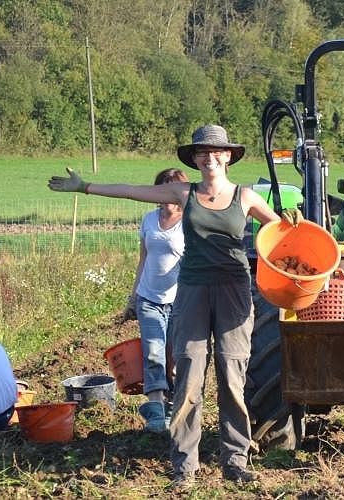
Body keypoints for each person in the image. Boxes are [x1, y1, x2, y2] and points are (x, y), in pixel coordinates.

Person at [50, 124, 279, 486]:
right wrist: (85, 186)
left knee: (233, 377)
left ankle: (235, 461)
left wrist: (298, 237)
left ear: (228, 156)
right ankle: (184, 467)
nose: (209, 158)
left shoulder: (247, 197)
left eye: (215, 152)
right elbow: (130, 191)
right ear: (196, 159)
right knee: (188, 378)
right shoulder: (183, 192)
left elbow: (279, 234)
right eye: (201, 153)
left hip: (234, 291)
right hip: (192, 291)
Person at [125, 168, 188, 433]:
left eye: (174, 189)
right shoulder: (149, 219)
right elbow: (143, 258)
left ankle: (174, 403)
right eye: (163, 189)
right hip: (149, 297)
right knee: (153, 352)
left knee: (174, 357)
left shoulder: (190, 222)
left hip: (179, 300)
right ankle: (156, 410)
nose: (168, 195)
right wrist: (133, 294)